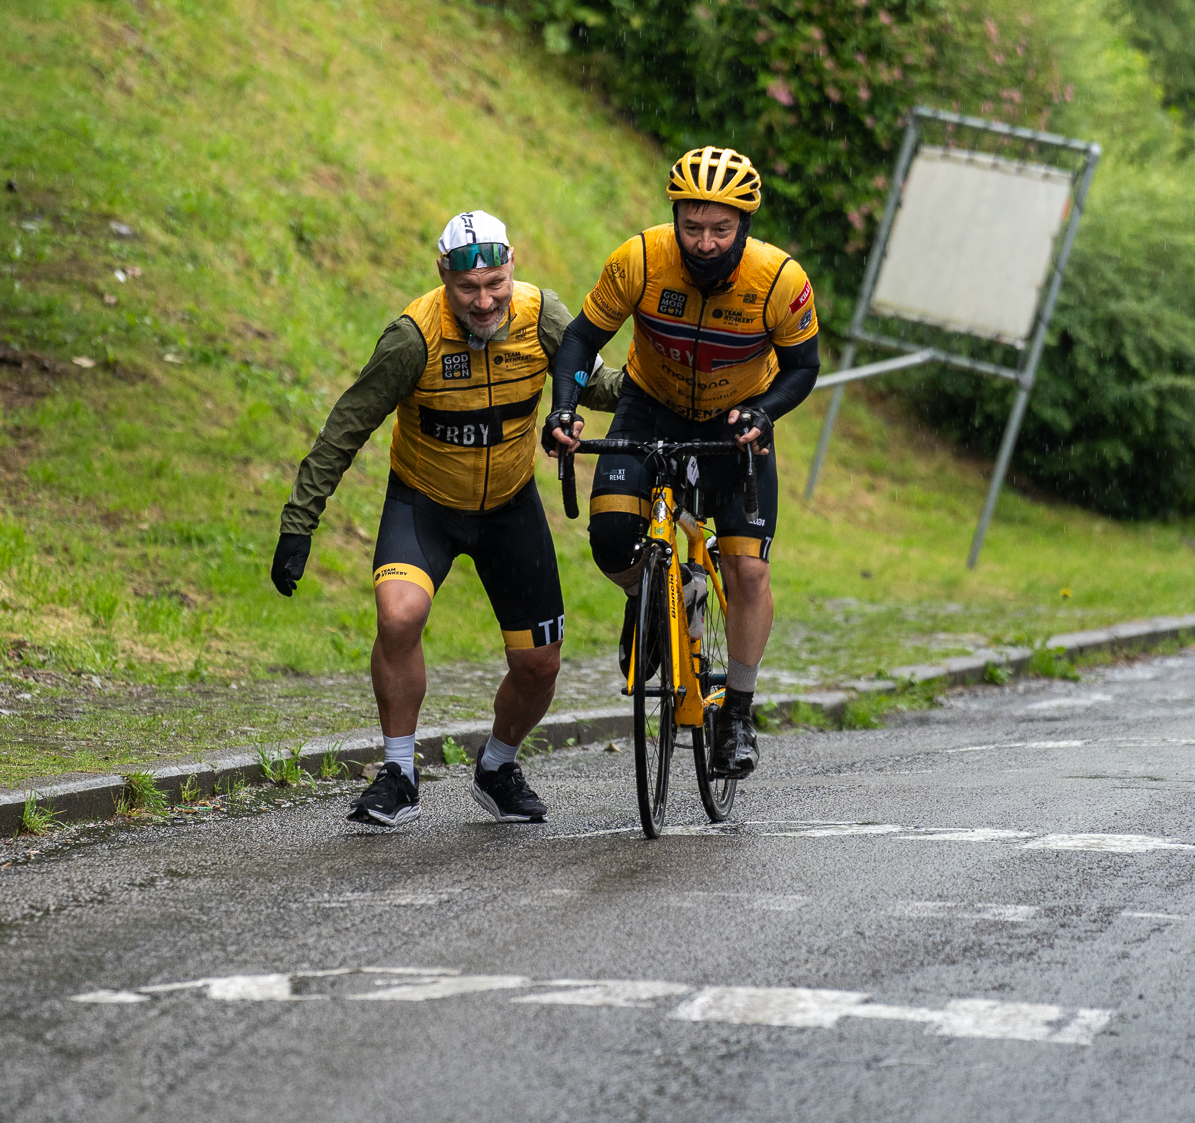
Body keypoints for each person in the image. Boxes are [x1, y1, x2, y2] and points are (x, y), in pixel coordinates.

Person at [271, 211, 621, 828]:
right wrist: (300, 521)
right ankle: (398, 774)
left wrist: (670, 377)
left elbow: (595, 384)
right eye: (467, 289)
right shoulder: (413, 338)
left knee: (540, 664)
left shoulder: (543, 316)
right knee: (398, 615)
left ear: (512, 269)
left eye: (495, 285)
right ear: (443, 277)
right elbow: (347, 425)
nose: (484, 302)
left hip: (510, 506)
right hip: (424, 503)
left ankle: (497, 766)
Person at [542, 147, 820, 780]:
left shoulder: (779, 280)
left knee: (747, 569)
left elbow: (803, 367)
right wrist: (563, 409)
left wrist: (764, 413)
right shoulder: (640, 259)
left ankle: (739, 713)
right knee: (611, 537)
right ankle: (648, 594)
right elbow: (582, 338)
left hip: (735, 422)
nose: (704, 242)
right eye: (692, 226)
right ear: (675, 218)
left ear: (743, 226)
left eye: (721, 229)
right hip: (651, 407)